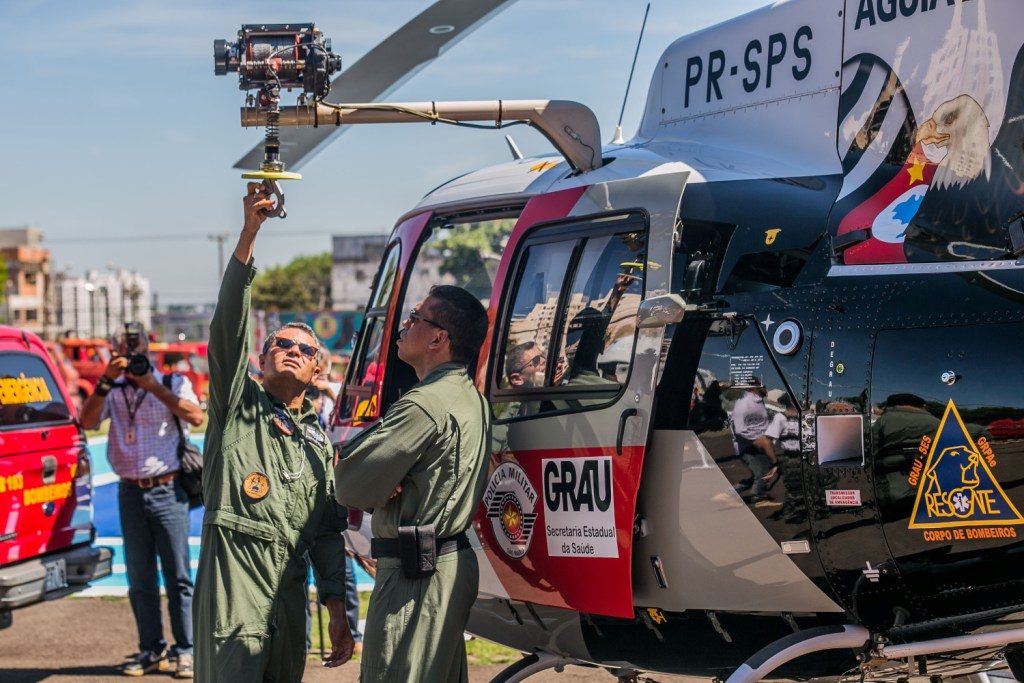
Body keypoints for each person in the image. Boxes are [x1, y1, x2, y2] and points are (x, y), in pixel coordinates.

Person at [193, 183, 354, 681]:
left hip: (288, 603)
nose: (291, 350)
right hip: (233, 602)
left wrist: (338, 610)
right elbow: (228, 331)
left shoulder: (317, 443)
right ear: (260, 362)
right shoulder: (237, 408)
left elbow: (328, 531)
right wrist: (249, 235)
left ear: (318, 372)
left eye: (305, 350)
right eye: (279, 344)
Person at [335, 285, 489, 682]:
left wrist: (371, 475)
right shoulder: (468, 396)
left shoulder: (425, 403)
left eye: (414, 317)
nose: (403, 325)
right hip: (442, 563)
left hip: (414, 572)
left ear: (439, 338)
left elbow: (349, 484)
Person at [79, 323, 204, 678]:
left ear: (149, 351)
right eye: (124, 353)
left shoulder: (171, 382)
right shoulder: (113, 389)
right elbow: (87, 421)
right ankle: (151, 649)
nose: (132, 360)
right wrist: (104, 380)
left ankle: (186, 650)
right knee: (140, 578)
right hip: (129, 490)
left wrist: (150, 385)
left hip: (168, 488)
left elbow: (195, 415)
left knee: (178, 576)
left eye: (137, 353)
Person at [729, 377, 781, 508]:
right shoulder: (745, 404)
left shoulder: (757, 401)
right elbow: (740, 430)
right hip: (746, 447)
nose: (765, 388)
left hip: (756, 445)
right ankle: (758, 498)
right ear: (754, 387)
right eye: (762, 385)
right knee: (761, 472)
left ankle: (731, 492)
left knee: (760, 472)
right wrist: (761, 441)